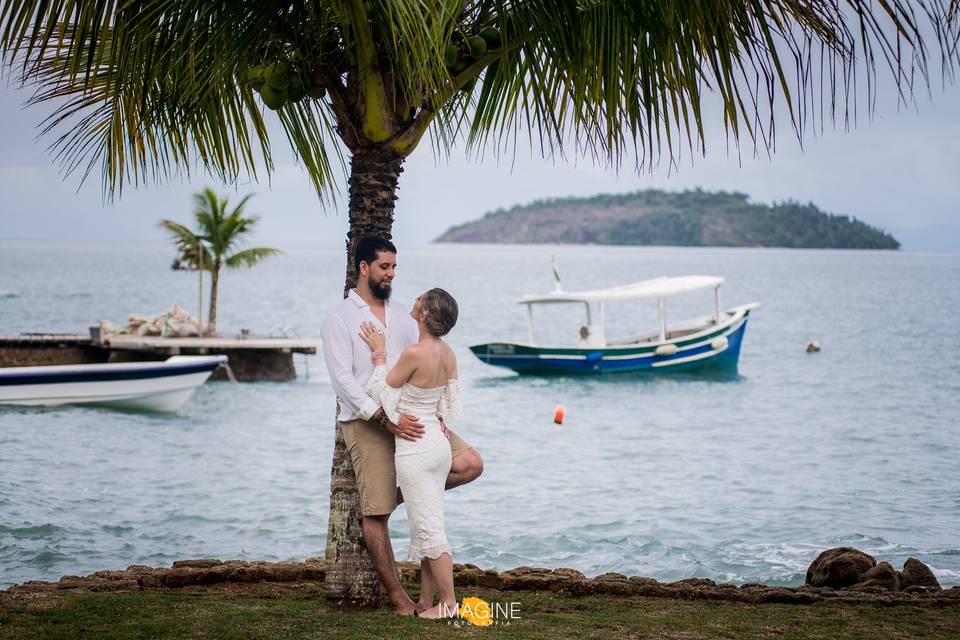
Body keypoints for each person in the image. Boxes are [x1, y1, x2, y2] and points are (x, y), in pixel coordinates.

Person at [319, 236, 483, 616]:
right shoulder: (339, 319)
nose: (391, 274)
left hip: (415, 420)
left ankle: (407, 494)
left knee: (470, 463)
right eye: (384, 267)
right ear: (364, 268)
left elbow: (423, 368)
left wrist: (435, 417)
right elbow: (343, 381)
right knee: (374, 514)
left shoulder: (406, 317)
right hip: (369, 420)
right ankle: (399, 599)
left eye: (394, 267)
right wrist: (383, 418)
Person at [359, 287, 461, 619]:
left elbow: (381, 392)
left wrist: (378, 354)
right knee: (427, 524)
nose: (414, 301)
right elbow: (448, 402)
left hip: (415, 449)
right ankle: (427, 601)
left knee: (430, 529)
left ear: (425, 314)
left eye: (419, 299)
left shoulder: (415, 353)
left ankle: (448, 606)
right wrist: (437, 421)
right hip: (438, 443)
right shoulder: (448, 353)